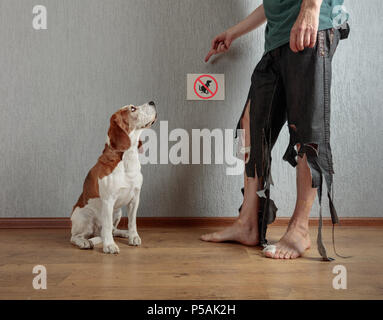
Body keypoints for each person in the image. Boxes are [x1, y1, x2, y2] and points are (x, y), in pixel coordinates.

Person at [201, 0, 349, 260]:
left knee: (307, 131)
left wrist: (312, 8)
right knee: (249, 128)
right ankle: (247, 223)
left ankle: (300, 230)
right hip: (277, 41)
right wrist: (234, 32)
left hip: (311, 28)